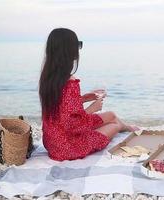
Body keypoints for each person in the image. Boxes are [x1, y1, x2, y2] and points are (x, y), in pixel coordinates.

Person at [39, 28, 138, 161]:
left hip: (52, 143)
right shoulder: (70, 82)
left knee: (111, 115)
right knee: (114, 124)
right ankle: (122, 127)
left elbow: (62, 109)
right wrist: (94, 108)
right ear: (68, 50)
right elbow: (73, 124)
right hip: (69, 147)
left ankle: (127, 127)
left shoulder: (48, 78)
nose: (78, 48)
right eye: (77, 44)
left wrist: (84, 98)